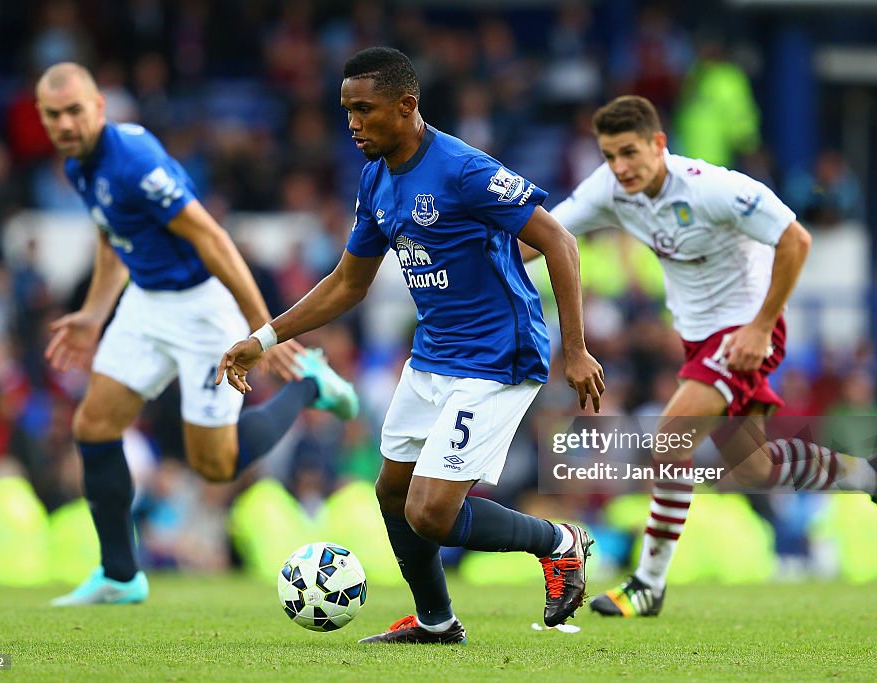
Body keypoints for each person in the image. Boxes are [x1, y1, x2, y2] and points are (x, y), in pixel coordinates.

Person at [217, 47, 605, 643]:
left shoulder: (463, 169)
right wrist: (264, 337)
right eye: (346, 110)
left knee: (431, 512)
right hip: (434, 354)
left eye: (364, 110)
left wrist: (574, 349)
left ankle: (560, 542)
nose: (352, 124)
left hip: (499, 356)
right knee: (392, 492)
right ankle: (435, 622)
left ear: (407, 105)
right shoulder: (376, 179)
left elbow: (560, 242)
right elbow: (349, 283)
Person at [525, 95, 877, 617]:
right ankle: (872, 476)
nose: (619, 167)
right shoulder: (610, 189)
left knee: (668, 440)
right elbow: (545, 236)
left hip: (746, 333)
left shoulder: (715, 188)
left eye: (629, 153)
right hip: (698, 339)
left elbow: (796, 240)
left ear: (659, 144)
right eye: (609, 155)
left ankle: (648, 582)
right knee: (755, 468)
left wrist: (758, 326)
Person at [36, 63, 359, 606]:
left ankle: (309, 382)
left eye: (74, 111)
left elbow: (213, 239)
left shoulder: (134, 160)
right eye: (54, 114)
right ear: (44, 119)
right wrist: (95, 312)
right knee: (93, 425)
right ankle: (120, 575)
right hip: (145, 302)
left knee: (213, 464)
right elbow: (113, 232)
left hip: (202, 310)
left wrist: (266, 333)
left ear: (98, 108)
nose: (65, 123)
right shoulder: (79, 164)